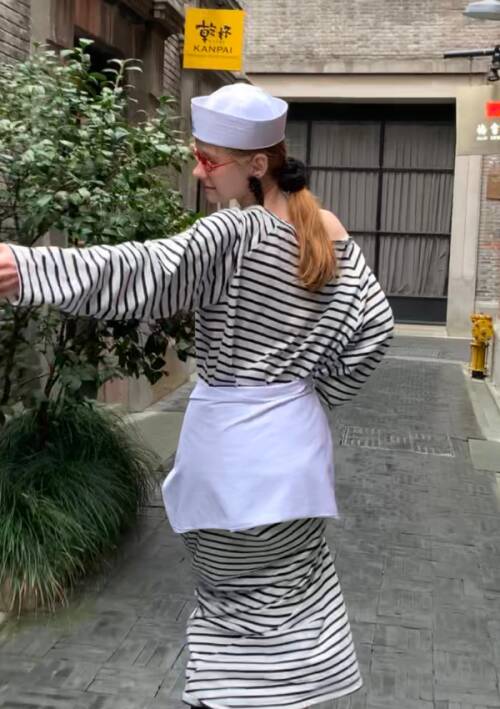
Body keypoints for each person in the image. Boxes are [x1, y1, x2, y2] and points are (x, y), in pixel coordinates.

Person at [0, 82, 394, 708]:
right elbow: (375, 329)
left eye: (208, 159)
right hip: (295, 465)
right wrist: (311, 394)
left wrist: (27, 269)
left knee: (231, 614)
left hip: (229, 465)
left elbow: (141, 272)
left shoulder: (234, 234)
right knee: (294, 600)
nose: (198, 170)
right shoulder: (327, 231)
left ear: (256, 164)